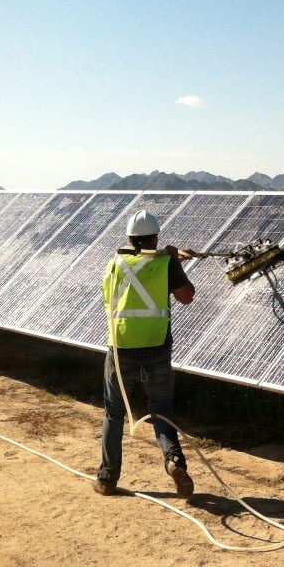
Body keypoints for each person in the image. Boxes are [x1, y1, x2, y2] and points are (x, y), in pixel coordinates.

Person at [93, 209, 196, 498]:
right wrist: (174, 263)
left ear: (129, 238)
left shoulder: (113, 264)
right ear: (155, 237)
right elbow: (186, 297)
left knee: (114, 413)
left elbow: (108, 300)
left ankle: (106, 479)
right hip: (156, 347)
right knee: (162, 412)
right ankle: (173, 460)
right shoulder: (165, 263)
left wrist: (170, 259)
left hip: (120, 347)